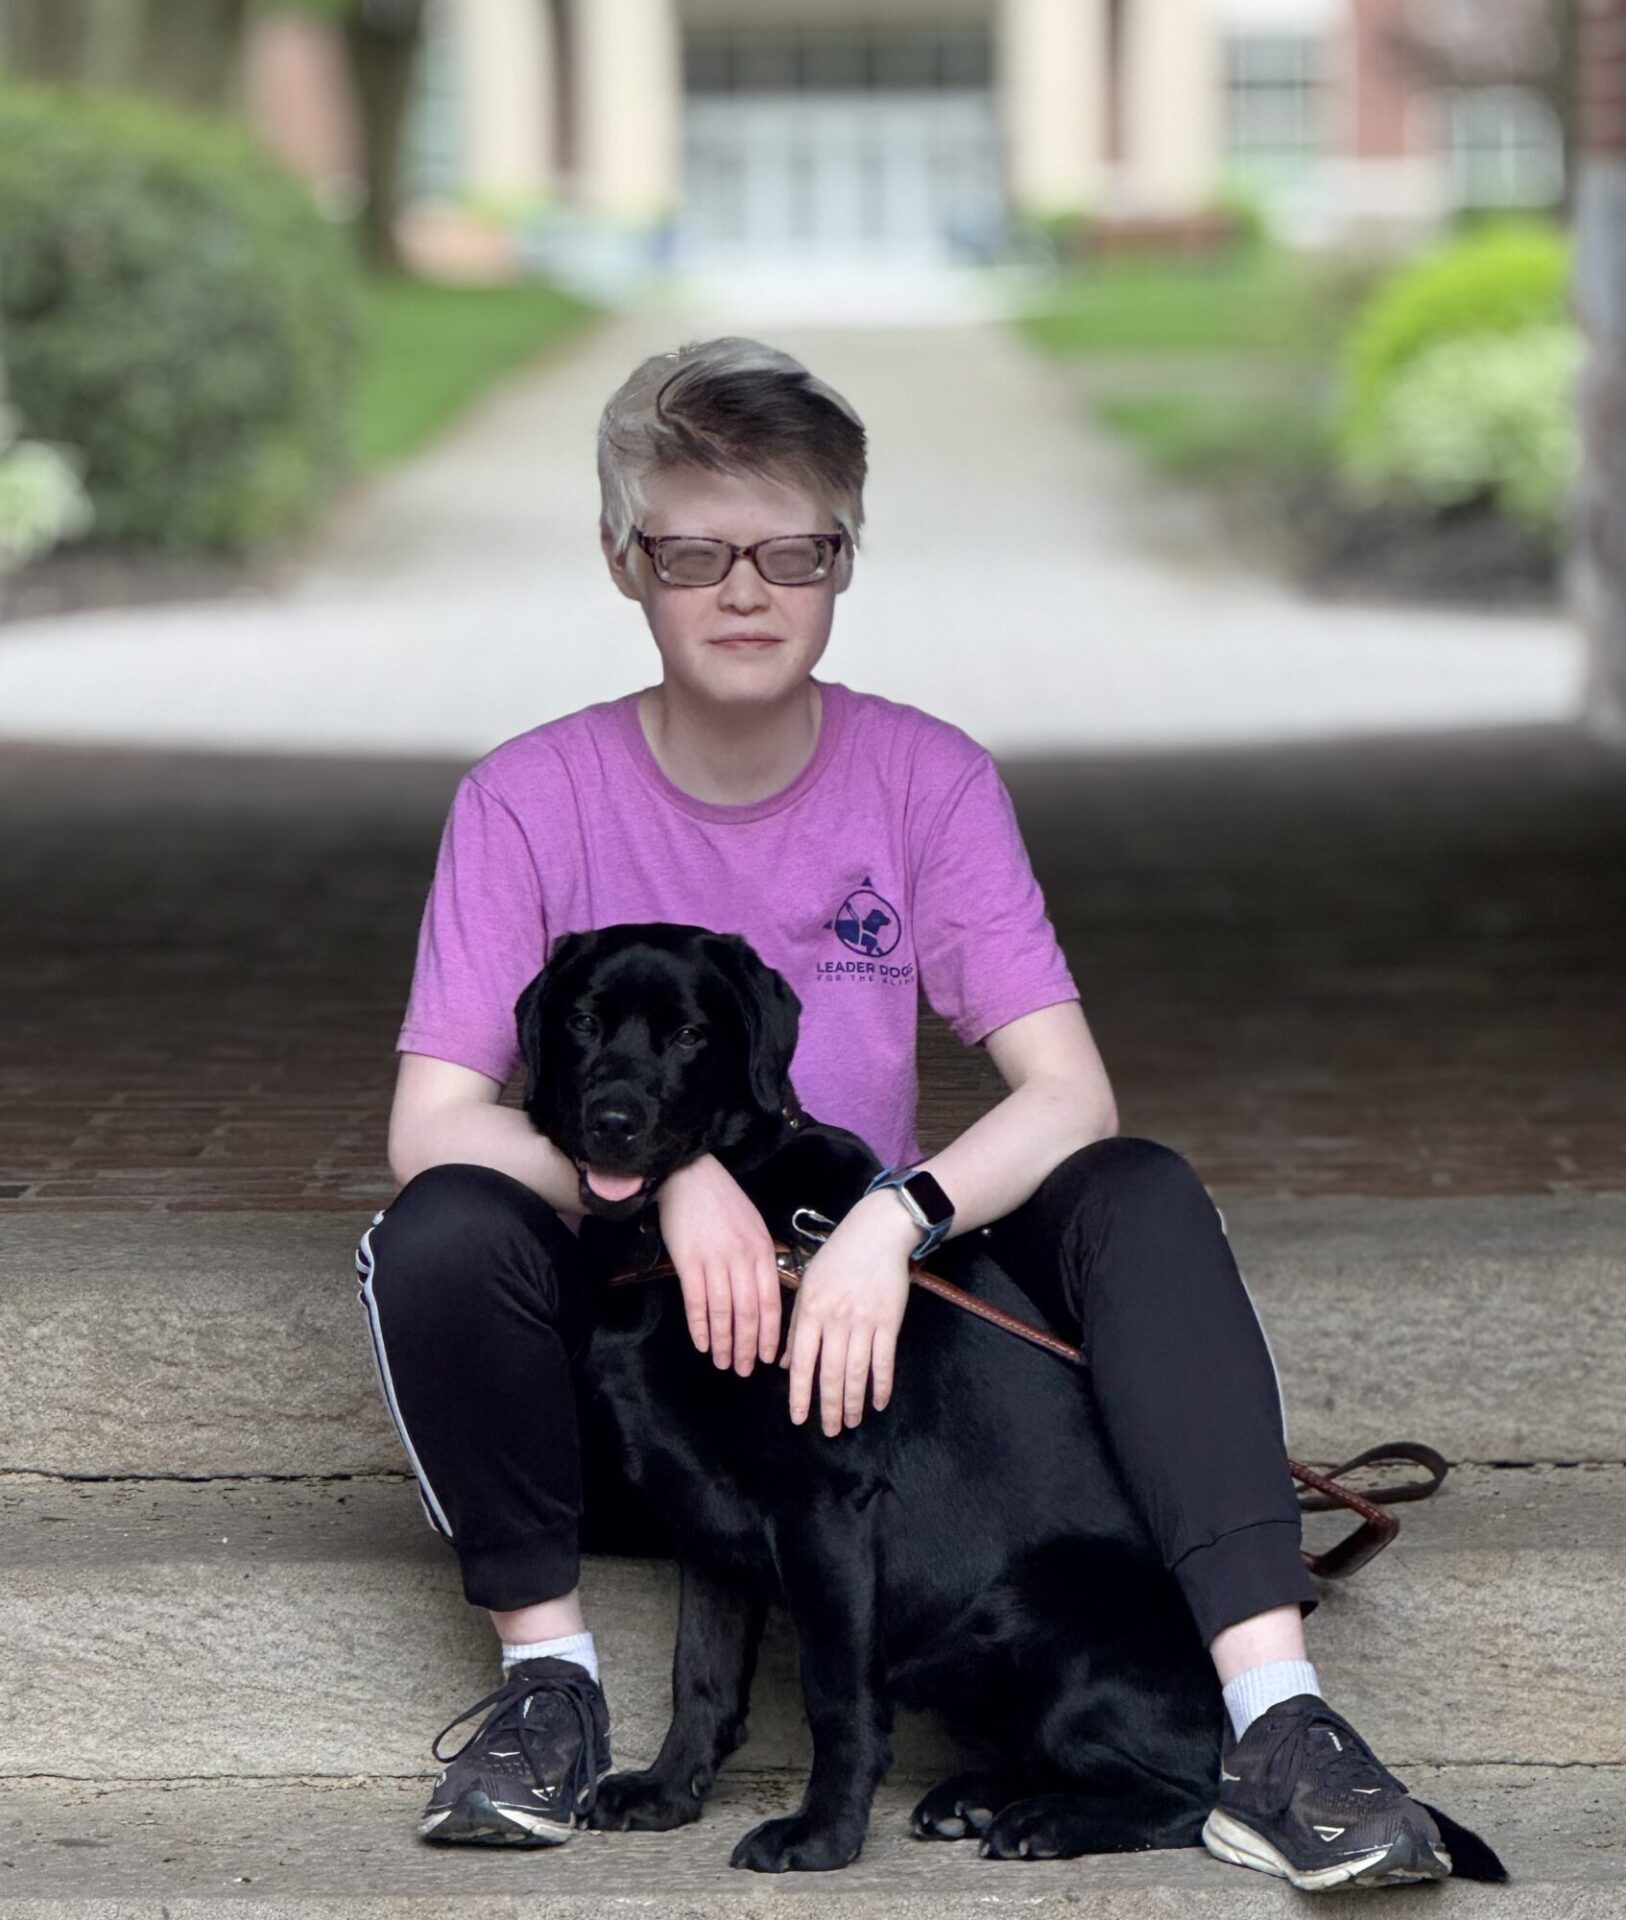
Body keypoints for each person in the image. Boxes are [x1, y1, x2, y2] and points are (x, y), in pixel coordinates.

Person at [353, 336, 1450, 1891]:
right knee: (442, 1227)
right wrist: (662, 1177)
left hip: (859, 1371)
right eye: (693, 550)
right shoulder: (526, 797)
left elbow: (1066, 1090)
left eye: (792, 548)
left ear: (844, 558)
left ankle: (1275, 1723)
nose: (745, 589)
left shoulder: (925, 780)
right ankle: (549, 1684)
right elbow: (430, 1120)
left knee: (1131, 1181)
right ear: (622, 562)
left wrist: (896, 1214)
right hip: (635, 1403)